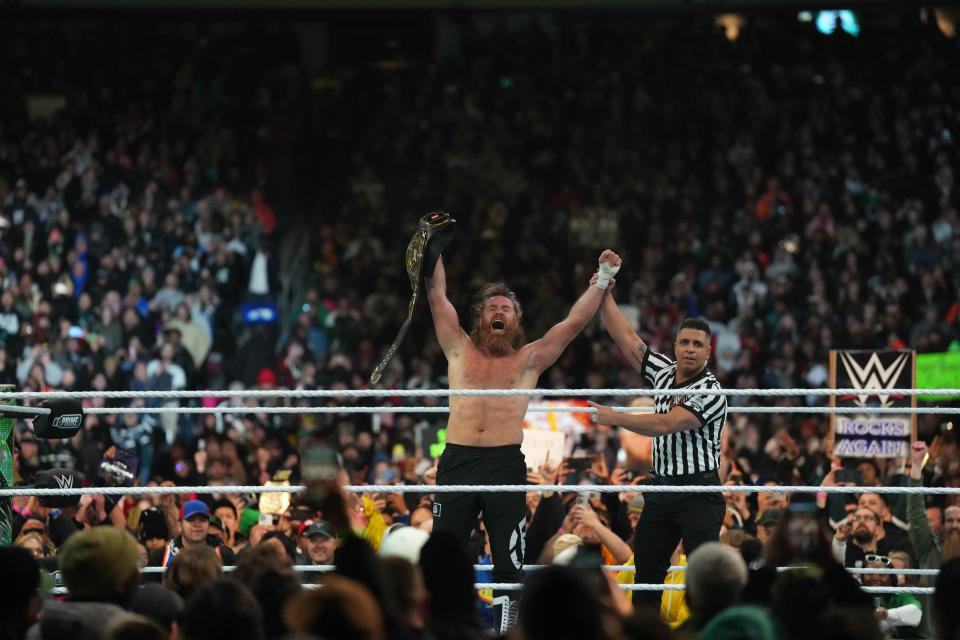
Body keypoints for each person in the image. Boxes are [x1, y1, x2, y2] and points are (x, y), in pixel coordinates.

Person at [425, 248, 621, 629]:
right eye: (491, 308)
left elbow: (572, 323)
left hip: (503, 462)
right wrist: (434, 247)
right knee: (444, 554)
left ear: (516, 321)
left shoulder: (529, 360)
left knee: (508, 560)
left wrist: (600, 278)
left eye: (506, 309)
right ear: (480, 318)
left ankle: (505, 631)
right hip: (458, 460)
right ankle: (442, 628)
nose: (498, 313)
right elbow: (437, 297)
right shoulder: (458, 348)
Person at [589, 296, 728, 610]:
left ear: (708, 351)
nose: (690, 348)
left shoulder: (710, 391)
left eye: (697, 344)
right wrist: (605, 291)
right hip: (661, 489)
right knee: (646, 575)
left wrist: (617, 417)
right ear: (676, 346)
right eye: (685, 342)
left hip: (699, 492)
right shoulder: (663, 372)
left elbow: (667, 424)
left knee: (702, 577)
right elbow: (626, 338)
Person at [148, 500, 236, 568]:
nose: (197, 524)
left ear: (208, 523)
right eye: (190, 519)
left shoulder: (224, 554)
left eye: (202, 519)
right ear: (180, 525)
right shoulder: (161, 555)